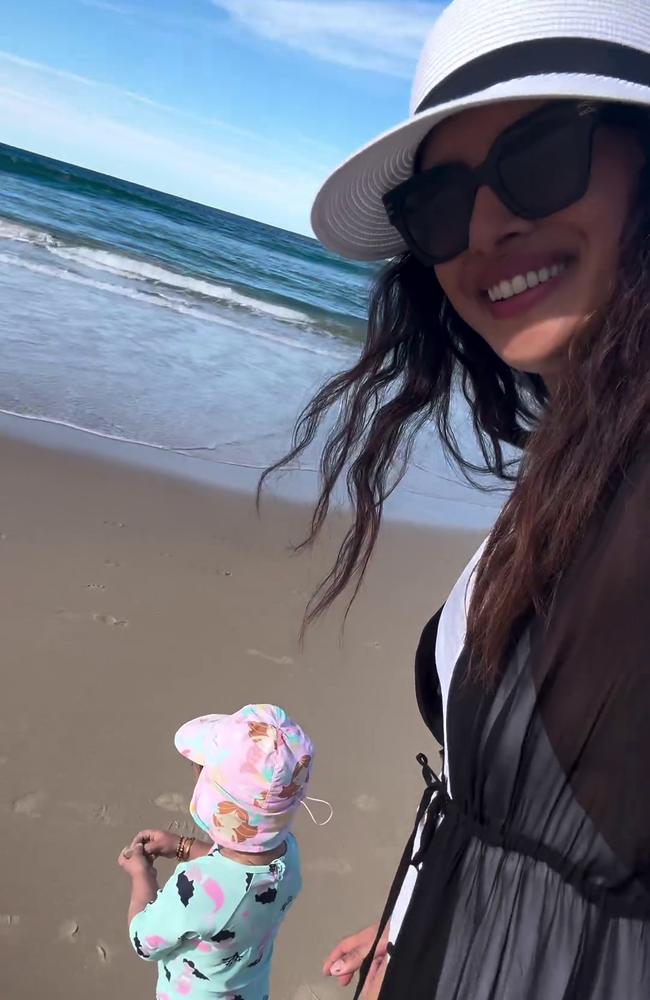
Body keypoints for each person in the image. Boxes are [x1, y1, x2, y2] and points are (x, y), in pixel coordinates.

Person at [260, 0, 650, 996]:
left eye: (537, 156)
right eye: (437, 203)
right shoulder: (575, 457)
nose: (482, 225)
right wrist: (422, 917)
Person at [117, 704, 313, 999]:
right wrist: (183, 846)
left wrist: (140, 875)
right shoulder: (288, 855)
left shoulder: (195, 885)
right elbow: (240, 873)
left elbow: (143, 941)